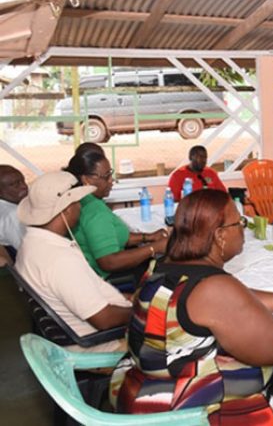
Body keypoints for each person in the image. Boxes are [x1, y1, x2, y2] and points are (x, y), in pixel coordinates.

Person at [109, 190, 273, 422]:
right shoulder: (214, 289)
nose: (244, 228)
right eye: (240, 222)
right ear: (220, 236)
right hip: (183, 412)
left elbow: (236, 300)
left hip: (139, 390)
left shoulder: (163, 267)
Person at [15, 171, 131, 352]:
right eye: (78, 202)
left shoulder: (31, 245)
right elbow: (104, 320)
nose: (81, 207)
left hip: (77, 335)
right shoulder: (59, 260)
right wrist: (143, 313)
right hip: (103, 345)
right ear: (67, 209)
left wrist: (132, 299)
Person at [66, 151, 169, 280]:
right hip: (111, 280)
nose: (111, 181)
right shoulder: (94, 210)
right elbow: (109, 262)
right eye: (106, 176)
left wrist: (149, 237)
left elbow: (112, 236)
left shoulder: (82, 201)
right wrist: (155, 247)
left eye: (111, 175)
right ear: (86, 179)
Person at [0, 165, 27, 258]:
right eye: (15, 185)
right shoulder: (13, 214)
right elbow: (27, 249)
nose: (24, 186)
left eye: (23, 181)